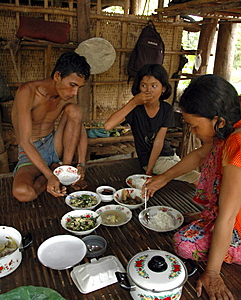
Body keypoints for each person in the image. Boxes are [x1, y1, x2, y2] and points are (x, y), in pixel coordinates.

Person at [144, 74, 241, 300]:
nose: (192, 131)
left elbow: (229, 216)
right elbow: (200, 155)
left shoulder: (238, 145)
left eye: (194, 126)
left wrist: (212, 273)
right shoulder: (233, 120)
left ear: (218, 121)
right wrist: (162, 178)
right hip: (231, 212)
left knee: (184, 245)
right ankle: (209, 216)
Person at [11, 51, 90, 202]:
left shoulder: (65, 97)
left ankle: (64, 170)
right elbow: (24, 141)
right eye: (72, 85)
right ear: (57, 76)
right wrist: (49, 176)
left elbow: (79, 126)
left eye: (79, 87)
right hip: (31, 151)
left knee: (75, 110)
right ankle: (54, 175)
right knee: (23, 192)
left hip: (53, 145)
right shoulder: (27, 92)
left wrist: (81, 164)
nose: (75, 92)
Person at [104, 64, 200, 184]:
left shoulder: (166, 109)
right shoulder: (135, 109)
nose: (148, 90)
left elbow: (158, 142)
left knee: (192, 174)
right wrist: (133, 102)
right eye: (143, 85)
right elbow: (108, 126)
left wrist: (150, 170)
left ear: (163, 88)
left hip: (169, 155)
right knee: (197, 178)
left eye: (154, 86)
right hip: (152, 161)